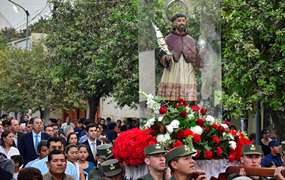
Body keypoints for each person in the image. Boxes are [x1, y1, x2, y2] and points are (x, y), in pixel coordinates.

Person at [155, 12, 202, 105]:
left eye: (183, 21)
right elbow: (160, 54)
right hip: (172, 71)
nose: (182, 23)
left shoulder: (190, 40)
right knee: (170, 100)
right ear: (174, 23)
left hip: (187, 71)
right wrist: (166, 58)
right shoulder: (168, 39)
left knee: (188, 100)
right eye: (179, 21)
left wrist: (201, 58)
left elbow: (195, 59)